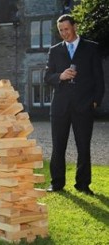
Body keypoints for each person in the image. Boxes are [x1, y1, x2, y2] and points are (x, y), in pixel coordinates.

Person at [44, 14, 105, 195]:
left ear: (75, 26)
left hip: (84, 106)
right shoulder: (54, 50)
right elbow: (47, 77)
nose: (64, 33)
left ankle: (83, 184)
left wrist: (95, 102)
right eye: (61, 30)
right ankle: (56, 183)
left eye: (66, 29)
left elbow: (99, 79)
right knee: (58, 146)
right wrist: (60, 76)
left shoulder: (91, 48)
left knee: (84, 146)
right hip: (60, 107)